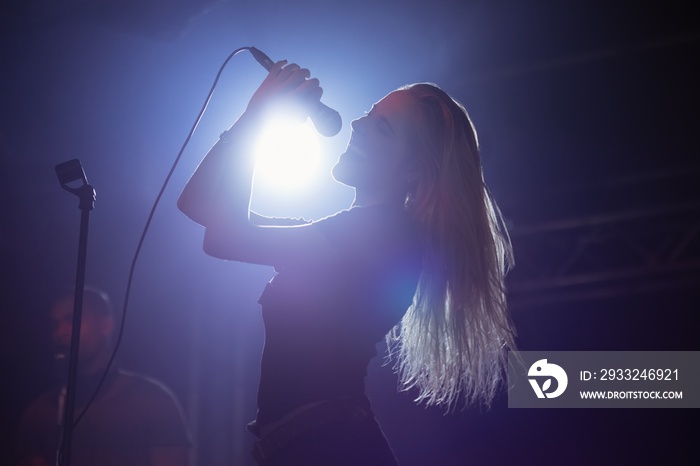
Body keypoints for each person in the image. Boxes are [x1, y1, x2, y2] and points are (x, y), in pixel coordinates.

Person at [177, 60, 516, 465]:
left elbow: (223, 235)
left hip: (330, 447)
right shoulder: (352, 232)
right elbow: (199, 206)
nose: (357, 124)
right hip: (314, 446)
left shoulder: (379, 234)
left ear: (411, 170)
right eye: (370, 115)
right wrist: (255, 120)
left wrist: (259, 118)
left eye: (381, 128)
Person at [15, 288, 192, 466]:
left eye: (71, 320)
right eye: (55, 324)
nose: (60, 331)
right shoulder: (40, 411)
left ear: (106, 325)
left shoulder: (153, 399)